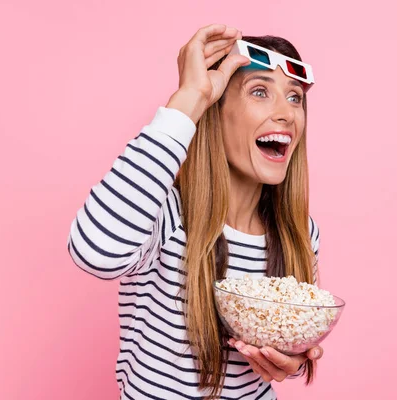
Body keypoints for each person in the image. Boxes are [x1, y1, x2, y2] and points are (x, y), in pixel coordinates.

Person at [67, 23, 323, 400]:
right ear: (215, 112)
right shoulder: (166, 214)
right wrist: (190, 97)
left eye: (295, 97)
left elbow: (294, 345)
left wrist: (293, 358)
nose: (286, 113)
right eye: (260, 91)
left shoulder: (300, 232)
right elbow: (94, 252)